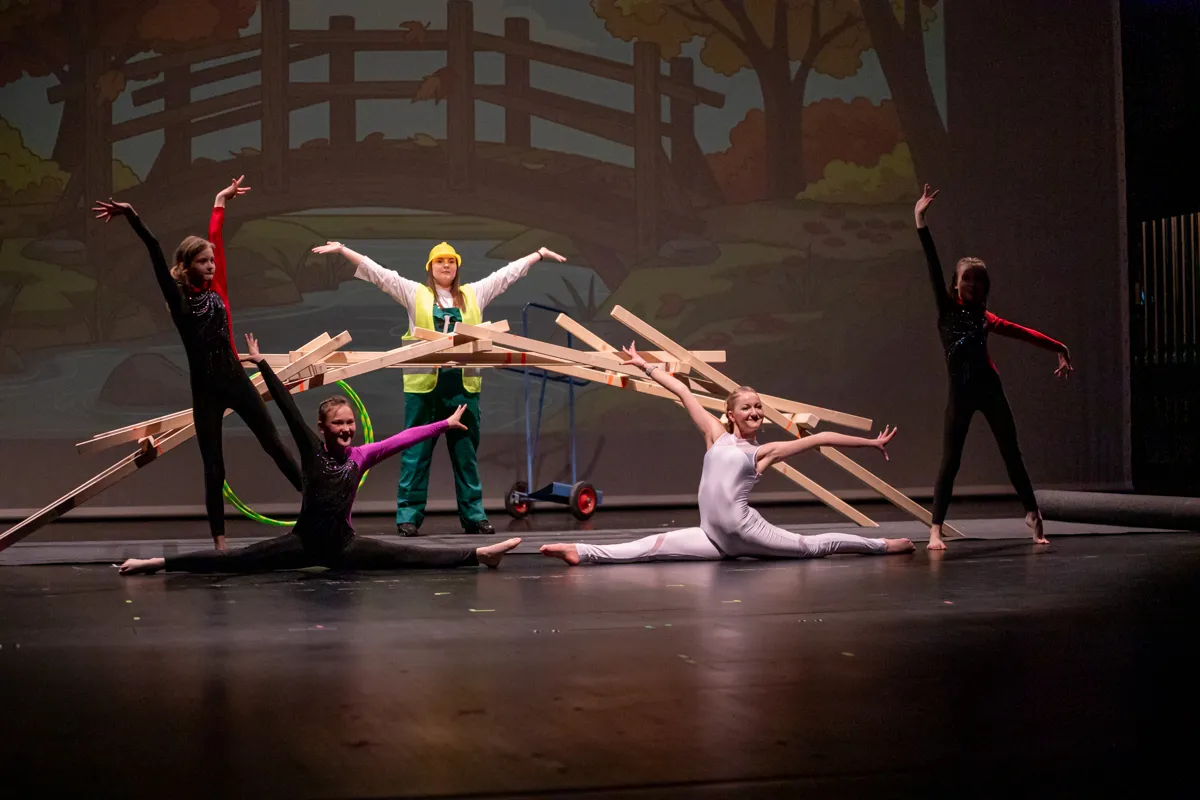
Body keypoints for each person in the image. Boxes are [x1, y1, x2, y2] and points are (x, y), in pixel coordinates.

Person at [119, 334, 521, 575]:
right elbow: (287, 410)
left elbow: (403, 438)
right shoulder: (312, 451)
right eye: (339, 424)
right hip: (303, 544)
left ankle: (481, 555)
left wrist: (444, 425)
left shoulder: (361, 456)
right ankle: (154, 563)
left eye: (351, 423)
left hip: (345, 546)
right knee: (235, 562)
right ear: (324, 427)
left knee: (410, 555)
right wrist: (263, 365)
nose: (348, 429)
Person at [540, 344, 915, 565]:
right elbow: (684, 393)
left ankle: (883, 545)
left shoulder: (762, 452)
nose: (755, 412)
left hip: (749, 533)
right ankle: (581, 551)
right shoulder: (715, 437)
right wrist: (644, 366)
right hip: (713, 537)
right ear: (731, 414)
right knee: (651, 546)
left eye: (759, 408)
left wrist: (870, 443)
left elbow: (817, 440)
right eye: (748, 407)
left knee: (814, 546)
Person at [93, 178, 302, 552]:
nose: (210, 265)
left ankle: (317, 503)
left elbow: (216, 235)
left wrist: (220, 200)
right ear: (187, 265)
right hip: (205, 388)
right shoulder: (178, 301)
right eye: (203, 261)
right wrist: (132, 216)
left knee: (274, 443)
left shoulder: (217, 287)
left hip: (236, 378)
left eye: (211, 261)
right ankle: (220, 544)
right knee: (213, 465)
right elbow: (155, 249)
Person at [311, 239, 566, 537]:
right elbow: (379, 274)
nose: (446, 265)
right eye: (439, 261)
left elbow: (505, 275)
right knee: (415, 452)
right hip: (424, 389)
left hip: (463, 388)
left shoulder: (473, 295)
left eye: (451, 261)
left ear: (457, 267)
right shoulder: (414, 294)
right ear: (430, 268)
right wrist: (343, 250)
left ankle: (474, 516)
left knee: (466, 455)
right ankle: (408, 515)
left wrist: (537, 253)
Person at [914, 184, 1074, 550]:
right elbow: (933, 265)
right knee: (951, 460)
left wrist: (1059, 346)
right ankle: (935, 530)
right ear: (956, 284)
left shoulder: (986, 317)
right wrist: (920, 220)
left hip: (990, 388)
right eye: (966, 278)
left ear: (985, 286)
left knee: (1011, 453)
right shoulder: (947, 310)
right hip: (961, 394)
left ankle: (1033, 516)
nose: (971, 283)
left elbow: (1023, 333)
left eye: (978, 279)